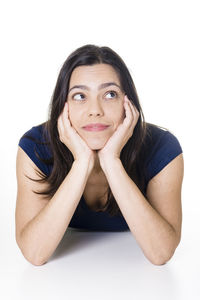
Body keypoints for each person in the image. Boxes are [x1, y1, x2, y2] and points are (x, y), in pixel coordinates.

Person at [15, 44, 184, 266]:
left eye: (110, 94)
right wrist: (82, 162)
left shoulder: (163, 147)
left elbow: (161, 253)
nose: (95, 110)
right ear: (62, 106)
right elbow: (35, 254)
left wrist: (111, 161)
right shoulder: (36, 146)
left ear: (128, 103)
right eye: (79, 96)